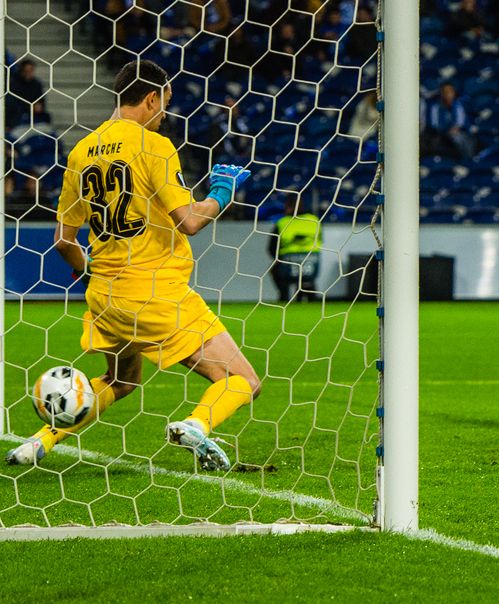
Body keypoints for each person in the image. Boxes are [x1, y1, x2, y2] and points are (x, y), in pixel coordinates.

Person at [6, 61, 258, 470]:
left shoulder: (80, 152)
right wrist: (223, 193)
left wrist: (90, 271)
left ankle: (40, 442)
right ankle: (195, 425)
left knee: (122, 381)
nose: (165, 114)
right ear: (152, 98)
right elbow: (190, 222)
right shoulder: (152, 145)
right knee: (242, 381)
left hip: (106, 296)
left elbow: (63, 241)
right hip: (157, 295)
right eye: (165, 103)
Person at [269, 196, 323, 303]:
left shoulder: (282, 222)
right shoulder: (314, 220)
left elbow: (271, 247)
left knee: (275, 270)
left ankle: (284, 295)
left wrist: (278, 259)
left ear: (288, 207)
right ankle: (310, 295)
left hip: (287, 263)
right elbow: (320, 240)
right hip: (311, 262)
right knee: (307, 278)